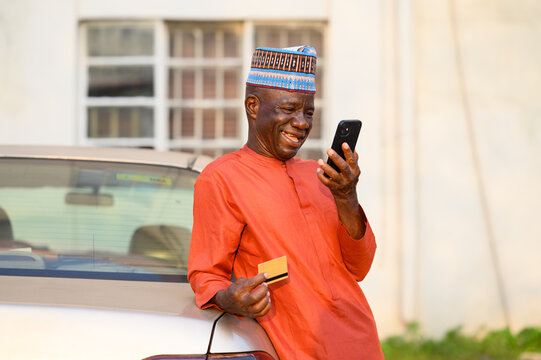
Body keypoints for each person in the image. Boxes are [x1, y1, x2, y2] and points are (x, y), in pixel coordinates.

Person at [188, 45, 384, 359]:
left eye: (308, 112)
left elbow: (359, 267)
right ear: (253, 106)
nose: (302, 123)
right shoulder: (222, 178)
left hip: (360, 343)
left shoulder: (320, 177)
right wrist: (229, 298)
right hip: (297, 350)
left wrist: (347, 196)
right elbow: (206, 274)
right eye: (289, 109)